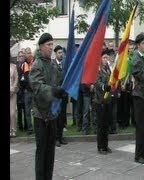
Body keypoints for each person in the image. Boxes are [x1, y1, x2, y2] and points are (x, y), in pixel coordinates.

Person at [29, 33, 67, 180]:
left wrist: (62, 91)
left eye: (52, 44)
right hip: (40, 115)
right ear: (40, 46)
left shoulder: (52, 64)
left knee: (51, 152)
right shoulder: (36, 65)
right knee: (42, 151)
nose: (51, 48)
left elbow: (58, 82)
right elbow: (37, 87)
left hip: (52, 114)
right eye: (48, 45)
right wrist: (54, 91)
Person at [132, 33, 144, 164]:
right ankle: (138, 155)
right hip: (139, 96)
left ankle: (143, 153)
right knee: (140, 126)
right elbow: (140, 74)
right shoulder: (136, 58)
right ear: (138, 45)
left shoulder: (143, 58)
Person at [93, 49, 113, 155]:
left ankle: (106, 145)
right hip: (99, 100)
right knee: (101, 125)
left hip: (107, 100)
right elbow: (96, 83)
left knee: (106, 124)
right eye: (104, 57)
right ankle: (100, 146)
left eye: (107, 57)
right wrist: (104, 86)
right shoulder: (98, 70)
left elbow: (111, 80)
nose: (106, 59)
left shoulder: (108, 69)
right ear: (100, 59)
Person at [53, 45, 68, 147]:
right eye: (59, 53)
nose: (61, 54)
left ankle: (61, 136)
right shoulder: (52, 64)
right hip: (56, 94)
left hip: (64, 94)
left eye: (62, 53)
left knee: (62, 116)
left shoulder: (65, 65)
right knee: (56, 117)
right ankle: (56, 138)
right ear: (55, 54)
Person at [10, 54, 19, 138]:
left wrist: (13, 88)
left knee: (12, 113)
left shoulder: (14, 66)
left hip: (12, 92)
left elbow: (16, 78)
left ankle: (13, 130)